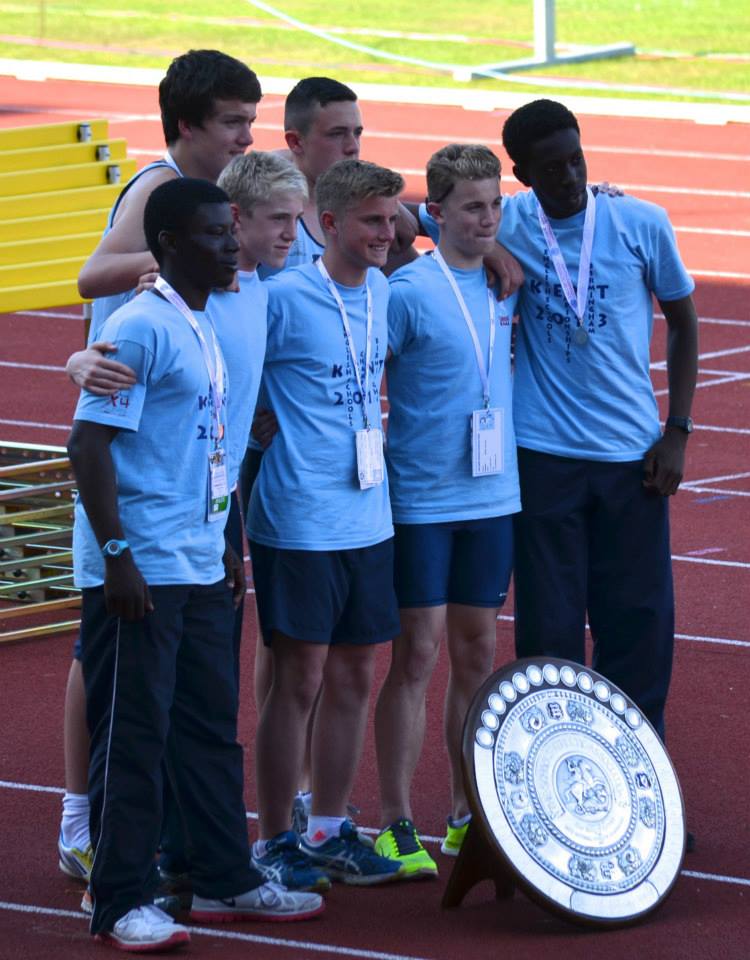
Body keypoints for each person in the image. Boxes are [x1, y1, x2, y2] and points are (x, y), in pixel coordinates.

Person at [67, 177, 323, 951]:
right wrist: (118, 558)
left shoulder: (206, 320)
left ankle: (222, 875)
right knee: (134, 735)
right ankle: (118, 899)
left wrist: (226, 540)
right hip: (141, 570)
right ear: (170, 244)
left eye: (231, 230)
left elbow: (210, 445)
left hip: (201, 561)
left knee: (209, 728)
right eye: (215, 233)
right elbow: (88, 446)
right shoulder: (142, 326)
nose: (230, 244)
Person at [58, 48, 262, 884]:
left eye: (251, 121)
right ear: (186, 125)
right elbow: (88, 277)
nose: (246, 137)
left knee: (186, 698)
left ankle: (201, 859)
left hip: (196, 484)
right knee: (113, 671)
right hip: (136, 469)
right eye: (232, 122)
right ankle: (87, 824)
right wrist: (165, 268)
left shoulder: (215, 208)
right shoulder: (158, 191)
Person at [498, 99, 697, 739]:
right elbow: (411, 216)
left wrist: (678, 431)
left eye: (576, 159)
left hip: (631, 457)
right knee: (548, 630)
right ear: (522, 175)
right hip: (542, 456)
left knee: (638, 625)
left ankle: (639, 775)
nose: (570, 177)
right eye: (551, 168)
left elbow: (684, 321)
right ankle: (552, 771)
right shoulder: (505, 221)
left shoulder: (640, 221)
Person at [246, 159, 406, 889]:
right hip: (300, 520)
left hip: (368, 517)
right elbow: (228, 361)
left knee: (353, 676)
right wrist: (257, 421)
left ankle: (328, 828)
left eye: (392, 219)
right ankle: (274, 837)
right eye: (372, 220)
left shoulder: (381, 290)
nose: (387, 232)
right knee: (299, 679)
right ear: (331, 223)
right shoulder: (283, 297)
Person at [373, 145, 521, 878]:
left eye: (494, 205)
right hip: (423, 498)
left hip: (494, 497)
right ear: (435, 212)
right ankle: (396, 822)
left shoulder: (506, 279)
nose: (487, 219)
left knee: (478, 653)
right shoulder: (406, 291)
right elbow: (362, 374)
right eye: (471, 207)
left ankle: (468, 814)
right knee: (418, 654)